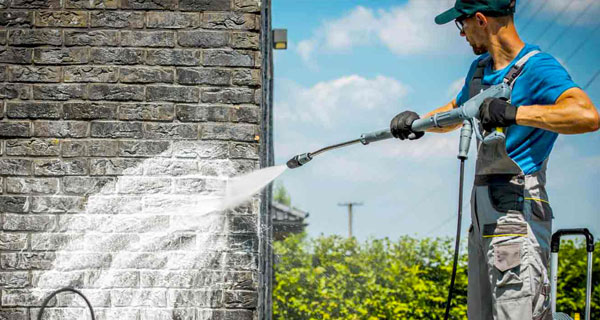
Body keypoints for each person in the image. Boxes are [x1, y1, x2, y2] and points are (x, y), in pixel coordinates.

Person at [389, 0, 599, 319]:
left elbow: (586, 115)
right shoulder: (480, 71)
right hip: (482, 211)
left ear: (481, 19)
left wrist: (515, 113)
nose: (462, 34)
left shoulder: (537, 67)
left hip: (517, 210)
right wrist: (418, 123)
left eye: (462, 25)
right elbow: (457, 110)